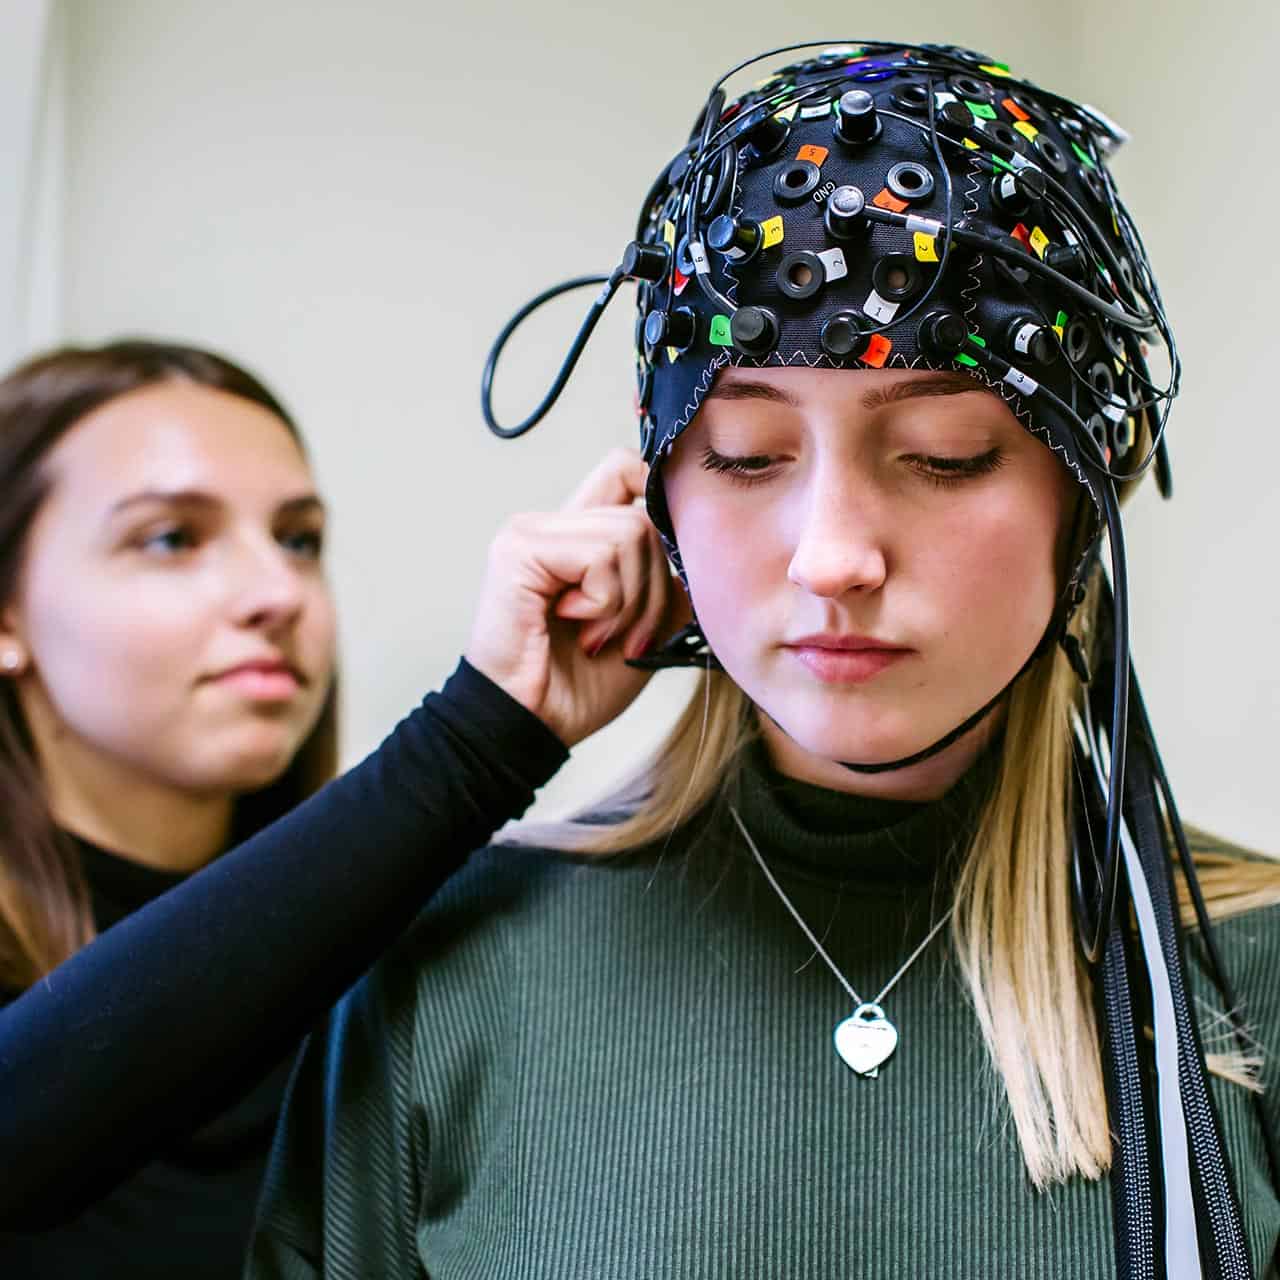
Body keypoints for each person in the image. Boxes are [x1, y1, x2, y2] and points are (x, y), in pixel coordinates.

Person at [248, 42, 1280, 1279]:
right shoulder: (450, 975)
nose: (832, 555)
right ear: (660, 489)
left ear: (1087, 494)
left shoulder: (1246, 985)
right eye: (743, 453)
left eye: (945, 453)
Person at [0, 340, 682, 1276]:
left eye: (298, 539)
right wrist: (480, 737)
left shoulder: (399, 973)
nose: (279, 593)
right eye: (170, 538)